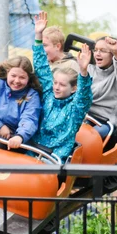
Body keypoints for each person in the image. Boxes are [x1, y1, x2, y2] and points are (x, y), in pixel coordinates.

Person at [32, 11, 93, 162]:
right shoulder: (48, 96)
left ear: (73, 89)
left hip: (52, 157)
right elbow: (41, 67)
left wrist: (84, 71)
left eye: (62, 85)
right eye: (55, 83)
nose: (56, 87)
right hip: (32, 150)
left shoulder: (75, 109)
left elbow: (84, 96)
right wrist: (38, 36)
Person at [86, 36, 117, 138]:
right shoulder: (89, 69)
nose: (98, 53)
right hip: (85, 116)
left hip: (105, 121)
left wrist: (116, 52)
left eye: (103, 51)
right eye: (96, 50)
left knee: (88, 136)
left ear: (112, 55)